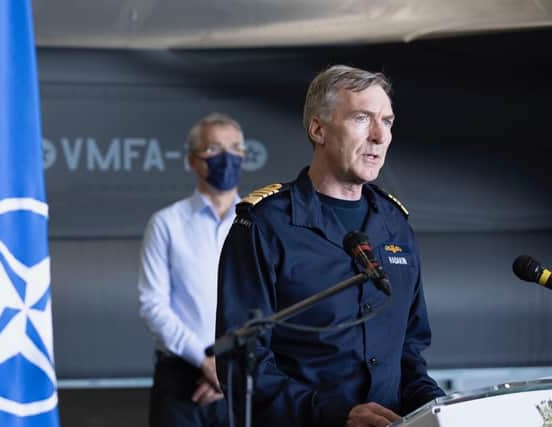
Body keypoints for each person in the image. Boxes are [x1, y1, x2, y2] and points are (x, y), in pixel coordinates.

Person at [215, 65, 445, 427]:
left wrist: (439, 407)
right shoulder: (265, 224)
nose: (378, 136)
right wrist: (333, 415)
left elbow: (409, 352)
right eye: (362, 118)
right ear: (318, 129)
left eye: (387, 122)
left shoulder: (394, 223)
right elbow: (243, 364)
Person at [138, 113, 246, 427]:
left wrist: (229, 372)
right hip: (180, 382)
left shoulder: (256, 223)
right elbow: (152, 305)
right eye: (214, 149)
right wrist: (205, 362)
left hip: (243, 378)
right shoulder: (166, 223)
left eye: (235, 148)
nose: (227, 158)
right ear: (193, 160)